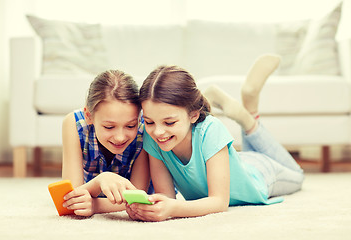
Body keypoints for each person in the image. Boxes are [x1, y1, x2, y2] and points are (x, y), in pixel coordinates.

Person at [126, 55, 304, 221]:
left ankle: (249, 117)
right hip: (233, 162)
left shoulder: (211, 130)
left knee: (297, 175)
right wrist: (151, 208)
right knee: (243, 158)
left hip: (261, 173)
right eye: (149, 122)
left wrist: (173, 209)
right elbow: (167, 197)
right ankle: (247, 114)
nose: (158, 132)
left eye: (170, 122)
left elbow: (219, 202)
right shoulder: (153, 138)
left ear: (193, 115)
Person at [61, 70, 150, 217]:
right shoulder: (74, 124)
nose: (120, 137)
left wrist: (94, 205)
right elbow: (70, 197)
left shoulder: (145, 130)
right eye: (109, 127)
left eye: (130, 126)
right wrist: (101, 180)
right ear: (89, 115)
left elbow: (137, 198)